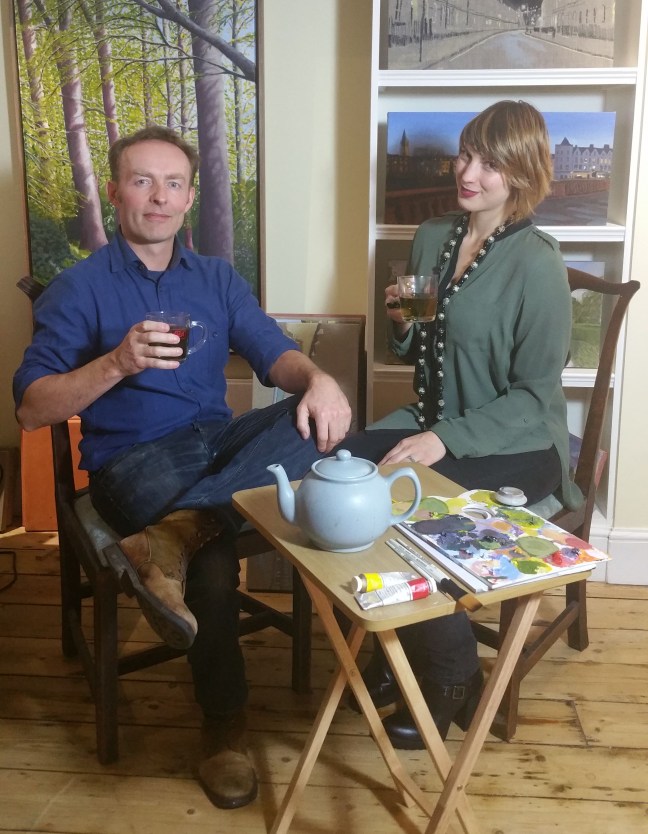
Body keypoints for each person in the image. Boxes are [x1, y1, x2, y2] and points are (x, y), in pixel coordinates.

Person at [13, 126, 351, 809]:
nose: (159, 197)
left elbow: (273, 352)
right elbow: (30, 408)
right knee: (215, 556)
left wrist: (319, 379)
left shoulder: (216, 279)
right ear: (116, 193)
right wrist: (116, 363)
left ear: (190, 197)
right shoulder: (79, 288)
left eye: (173, 184)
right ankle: (224, 725)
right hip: (132, 469)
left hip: (213, 449)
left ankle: (175, 536)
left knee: (324, 425)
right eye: (142, 181)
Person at [341, 100, 583, 749]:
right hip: (433, 417)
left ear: (522, 172)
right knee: (342, 473)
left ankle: (451, 672)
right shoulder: (431, 236)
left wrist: (442, 439)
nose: (467, 172)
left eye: (489, 163)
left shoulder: (538, 261)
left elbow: (534, 395)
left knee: (404, 505)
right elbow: (414, 352)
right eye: (466, 154)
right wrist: (402, 321)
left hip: (520, 440)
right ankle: (393, 644)